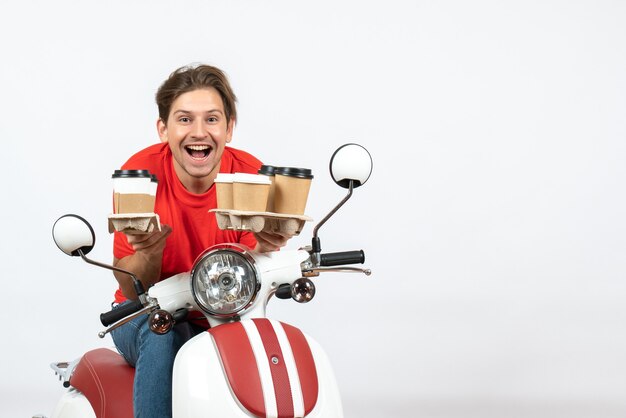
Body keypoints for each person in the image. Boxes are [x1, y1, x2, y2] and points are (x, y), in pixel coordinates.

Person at [110, 64, 290, 418]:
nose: (199, 132)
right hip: (143, 315)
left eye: (211, 119)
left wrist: (267, 250)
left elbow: (253, 271)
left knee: (270, 345)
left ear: (229, 128)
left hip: (222, 318)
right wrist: (150, 253)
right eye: (184, 119)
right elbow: (131, 292)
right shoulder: (138, 177)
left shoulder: (251, 178)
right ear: (163, 129)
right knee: (162, 335)